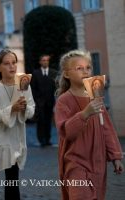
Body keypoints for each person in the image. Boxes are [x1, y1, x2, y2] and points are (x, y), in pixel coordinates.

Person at [55, 50, 123, 200]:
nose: (85, 71)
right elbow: (66, 132)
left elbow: (107, 130)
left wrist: (115, 157)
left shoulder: (96, 98)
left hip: (98, 163)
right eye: (79, 68)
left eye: (88, 67)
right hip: (75, 162)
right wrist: (85, 113)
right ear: (66, 74)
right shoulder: (64, 100)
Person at [0, 49, 35, 200]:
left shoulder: (24, 85)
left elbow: (32, 109)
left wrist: (26, 108)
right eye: (7, 64)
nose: (12, 67)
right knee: (12, 176)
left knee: (12, 177)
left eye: (14, 63)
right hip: (2, 137)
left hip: (18, 136)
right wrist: (11, 109)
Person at [30, 54, 57, 147]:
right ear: (40, 62)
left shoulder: (53, 73)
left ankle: (48, 139)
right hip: (39, 103)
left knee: (48, 121)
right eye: (43, 60)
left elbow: (56, 88)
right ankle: (41, 140)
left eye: (47, 60)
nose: (45, 62)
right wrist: (36, 100)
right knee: (40, 121)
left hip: (50, 102)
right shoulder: (35, 73)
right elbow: (33, 88)